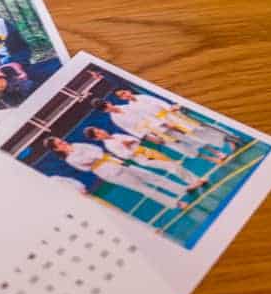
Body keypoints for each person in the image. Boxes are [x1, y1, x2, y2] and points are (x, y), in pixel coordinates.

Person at [43, 137, 193, 208]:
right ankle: (176, 203)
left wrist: (93, 156)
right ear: (57, 149)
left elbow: (97, 150)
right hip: (109, 172)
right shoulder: (70, 159)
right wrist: (91, 156)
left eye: (61, 140)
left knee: (153, 177)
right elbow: (87, 164)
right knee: (142, 188)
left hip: (117, 162)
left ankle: (183, 189)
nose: (63, 142)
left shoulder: (76, 143)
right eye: (59, 143)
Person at [113, 89, 240, 156]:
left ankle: (231, 137)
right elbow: (147, 118)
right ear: (121, 99)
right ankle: (228, 141)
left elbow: (159, 102)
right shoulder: (132, 107)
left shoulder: (143, 97)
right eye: (122, 96)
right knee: (196, 134)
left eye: (125, 92)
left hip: (173, 114)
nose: (125, 95)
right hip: (166, 121)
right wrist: (163, 124)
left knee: (202, 127)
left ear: (128, 91)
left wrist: (170, 108)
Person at [83, 126, 205, 190]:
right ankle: (194, 182)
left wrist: (130, 141)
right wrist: (126, 147)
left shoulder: (116, 135)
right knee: (172, 166)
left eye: (99, 130)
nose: (101, 132)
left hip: (148, 151)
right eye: (98, 133)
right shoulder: (109, 145)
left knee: (173, 164)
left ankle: (195, 180)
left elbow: (135, 139)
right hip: (142, 158)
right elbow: (124, 155)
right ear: (96, 139)